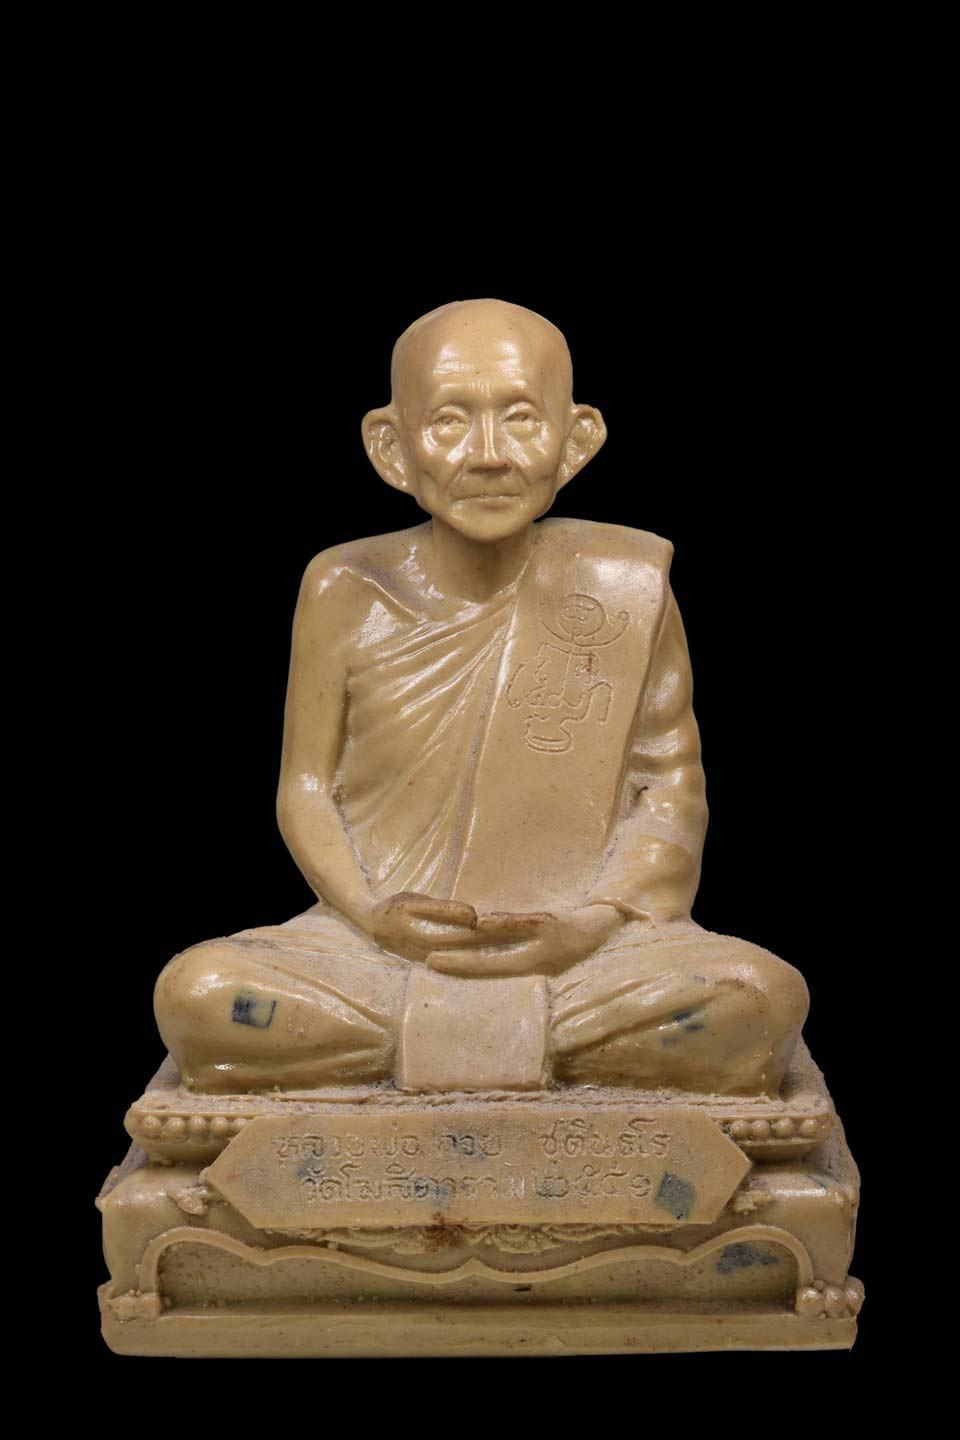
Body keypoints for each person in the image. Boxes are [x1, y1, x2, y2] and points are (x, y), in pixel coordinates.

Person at [154, 299, 808, 1095]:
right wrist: (373, 914)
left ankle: (429, 1046)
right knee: (199, 993)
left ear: (576, 440)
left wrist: (591, 924)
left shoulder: (625, 588)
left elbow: (669, 791)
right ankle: (533, 1049)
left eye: (522, 419)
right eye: (450, 422)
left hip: (583, 956)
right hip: (378, 950)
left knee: (760, 998)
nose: (490, 455)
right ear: (391, 448)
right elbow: (307, 790)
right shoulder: (343, 589)